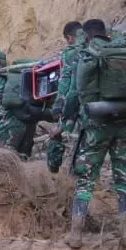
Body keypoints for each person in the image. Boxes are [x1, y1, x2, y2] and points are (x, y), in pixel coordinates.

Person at [67, 19, 126, 249]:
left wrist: (68, 119)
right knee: (123, 177)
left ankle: (76, 234)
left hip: (97, 126)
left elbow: (78, 93)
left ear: (86, 35)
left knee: (86, 178)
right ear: (106, 33)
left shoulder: (89, 54)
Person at [46, 21, 84, 173]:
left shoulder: (71, 53)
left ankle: (55, 173)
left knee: (59, 133)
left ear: (69, 38)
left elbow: (67, 84)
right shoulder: (97, 45)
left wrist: (59, 108)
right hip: (112, 105)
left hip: (82, 107)